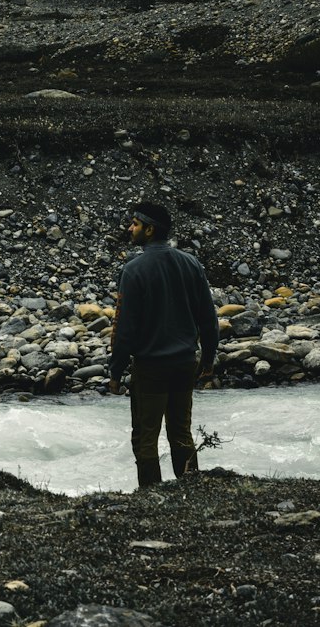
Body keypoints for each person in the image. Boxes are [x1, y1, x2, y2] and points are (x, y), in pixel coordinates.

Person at [108, 200, 219, 487]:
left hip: (150, 366)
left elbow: (123, 328)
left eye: (135, 223)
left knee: (145, 437)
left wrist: (116, 371)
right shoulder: (191, 263)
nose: (130, 228)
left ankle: (151, 495)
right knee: (180, 432)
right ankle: (191, 487)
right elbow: (208, 318)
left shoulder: (133, 270)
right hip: (185, 364)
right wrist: (208, 360)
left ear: (149, 229)